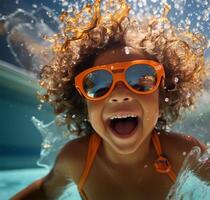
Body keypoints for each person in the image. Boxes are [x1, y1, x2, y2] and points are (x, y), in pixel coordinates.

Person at [11, 0, 208, 199]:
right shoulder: (76, 160)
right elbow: (43, 192)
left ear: (162, 94)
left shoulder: (183, 153)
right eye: (99, 86)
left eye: (141, 82)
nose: (119, 94)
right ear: (82, 102)